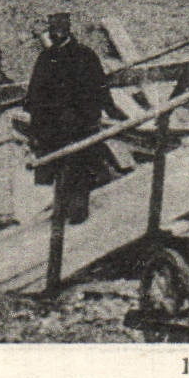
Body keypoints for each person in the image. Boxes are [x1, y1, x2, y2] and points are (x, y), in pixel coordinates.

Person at [23, 12, 113, 225]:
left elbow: (99, 88)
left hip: (78, 124)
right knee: (58, 167)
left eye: (61, 28)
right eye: (53, 29)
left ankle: (77, 211)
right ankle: (61, 209)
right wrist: (36, 122)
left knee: (78, 166)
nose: (57, 33)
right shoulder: (46, 58)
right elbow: (35, 91)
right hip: (52, 125)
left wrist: (92, 116)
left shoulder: (84, 55)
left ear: (68, 29)